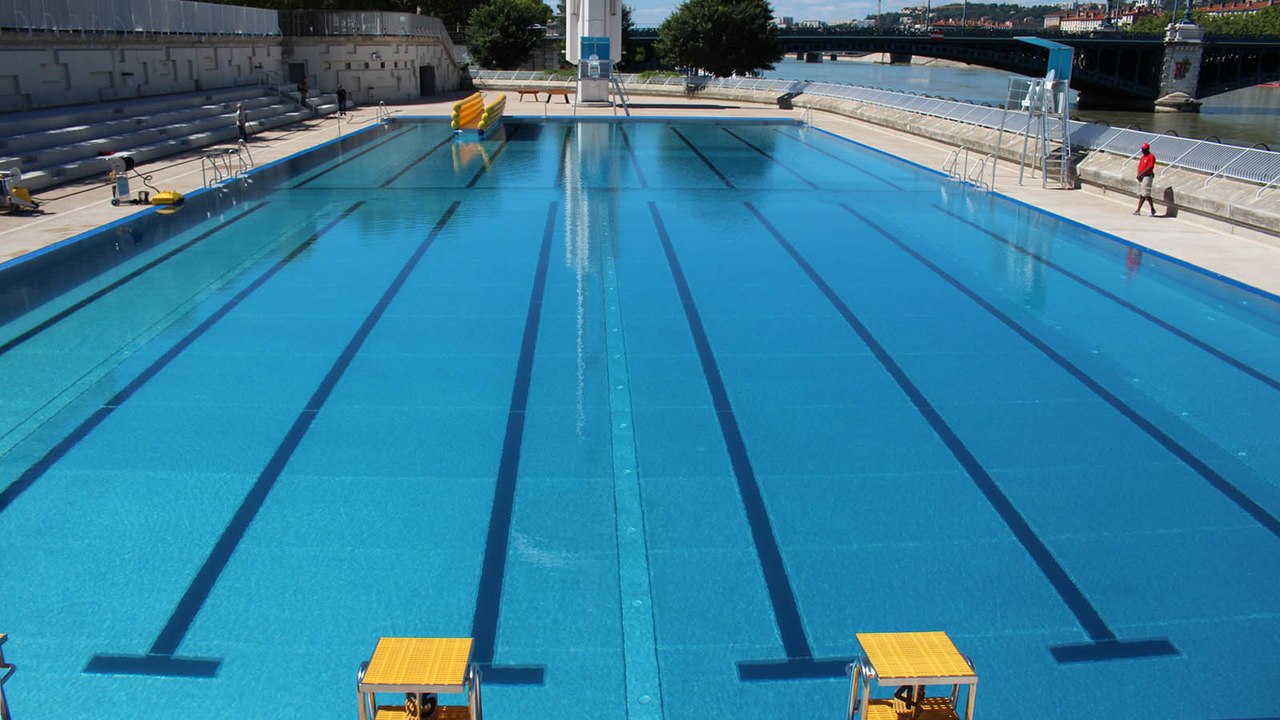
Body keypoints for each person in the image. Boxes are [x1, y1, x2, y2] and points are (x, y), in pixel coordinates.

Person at [1134, 142, 1158, 216]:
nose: (1143, 151)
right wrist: (1138, 175)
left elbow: (1149, 167)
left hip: (1147, 176)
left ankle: (1142, 210)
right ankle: (1148, 210)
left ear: (1148, 149)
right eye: (1142, 149)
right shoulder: (1143, 157)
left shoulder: (1151, 156)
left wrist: (1141, 175)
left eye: (1144, 149)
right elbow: (1140, 166)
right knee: (1142, 194)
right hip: (1141, 177)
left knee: (1145, 194)